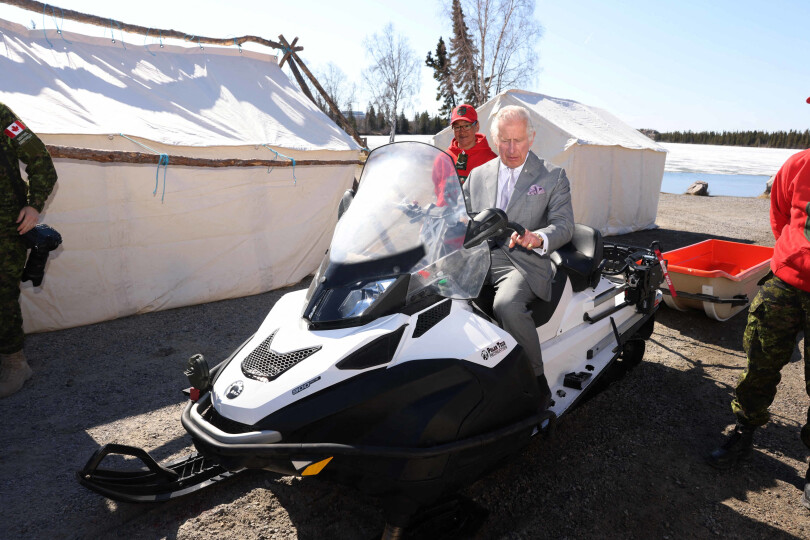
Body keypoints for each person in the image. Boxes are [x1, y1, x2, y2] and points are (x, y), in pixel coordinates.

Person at [707, 96, 810, 509]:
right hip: (786, 285)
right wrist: (791, 256)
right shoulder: (798, 165)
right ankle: (744, 431)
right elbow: (780, 215)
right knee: (760, 361)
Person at [462, 105, 574, 407]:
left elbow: (564, 225)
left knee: (506, 305)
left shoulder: (553, 176)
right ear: (494, 139)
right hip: (478, 259)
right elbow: (461, 216)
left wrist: (538, 237)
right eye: (505, 141)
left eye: (518, 140)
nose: (512, 149)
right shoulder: (477, 175)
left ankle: (535, 383)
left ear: (531, 138)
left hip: (523, 262)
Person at [0, 102, 58, 399]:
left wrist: (34, 205)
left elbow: (40, 160)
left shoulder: (1, 116)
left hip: (5, 228)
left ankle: (15, 363)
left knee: (2, 296)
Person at [446, 104, 497, 185]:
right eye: (457, 127)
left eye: (467, 126)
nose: (462, 131)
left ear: (477, 126)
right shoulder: (444, 158)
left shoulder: (492, 161)